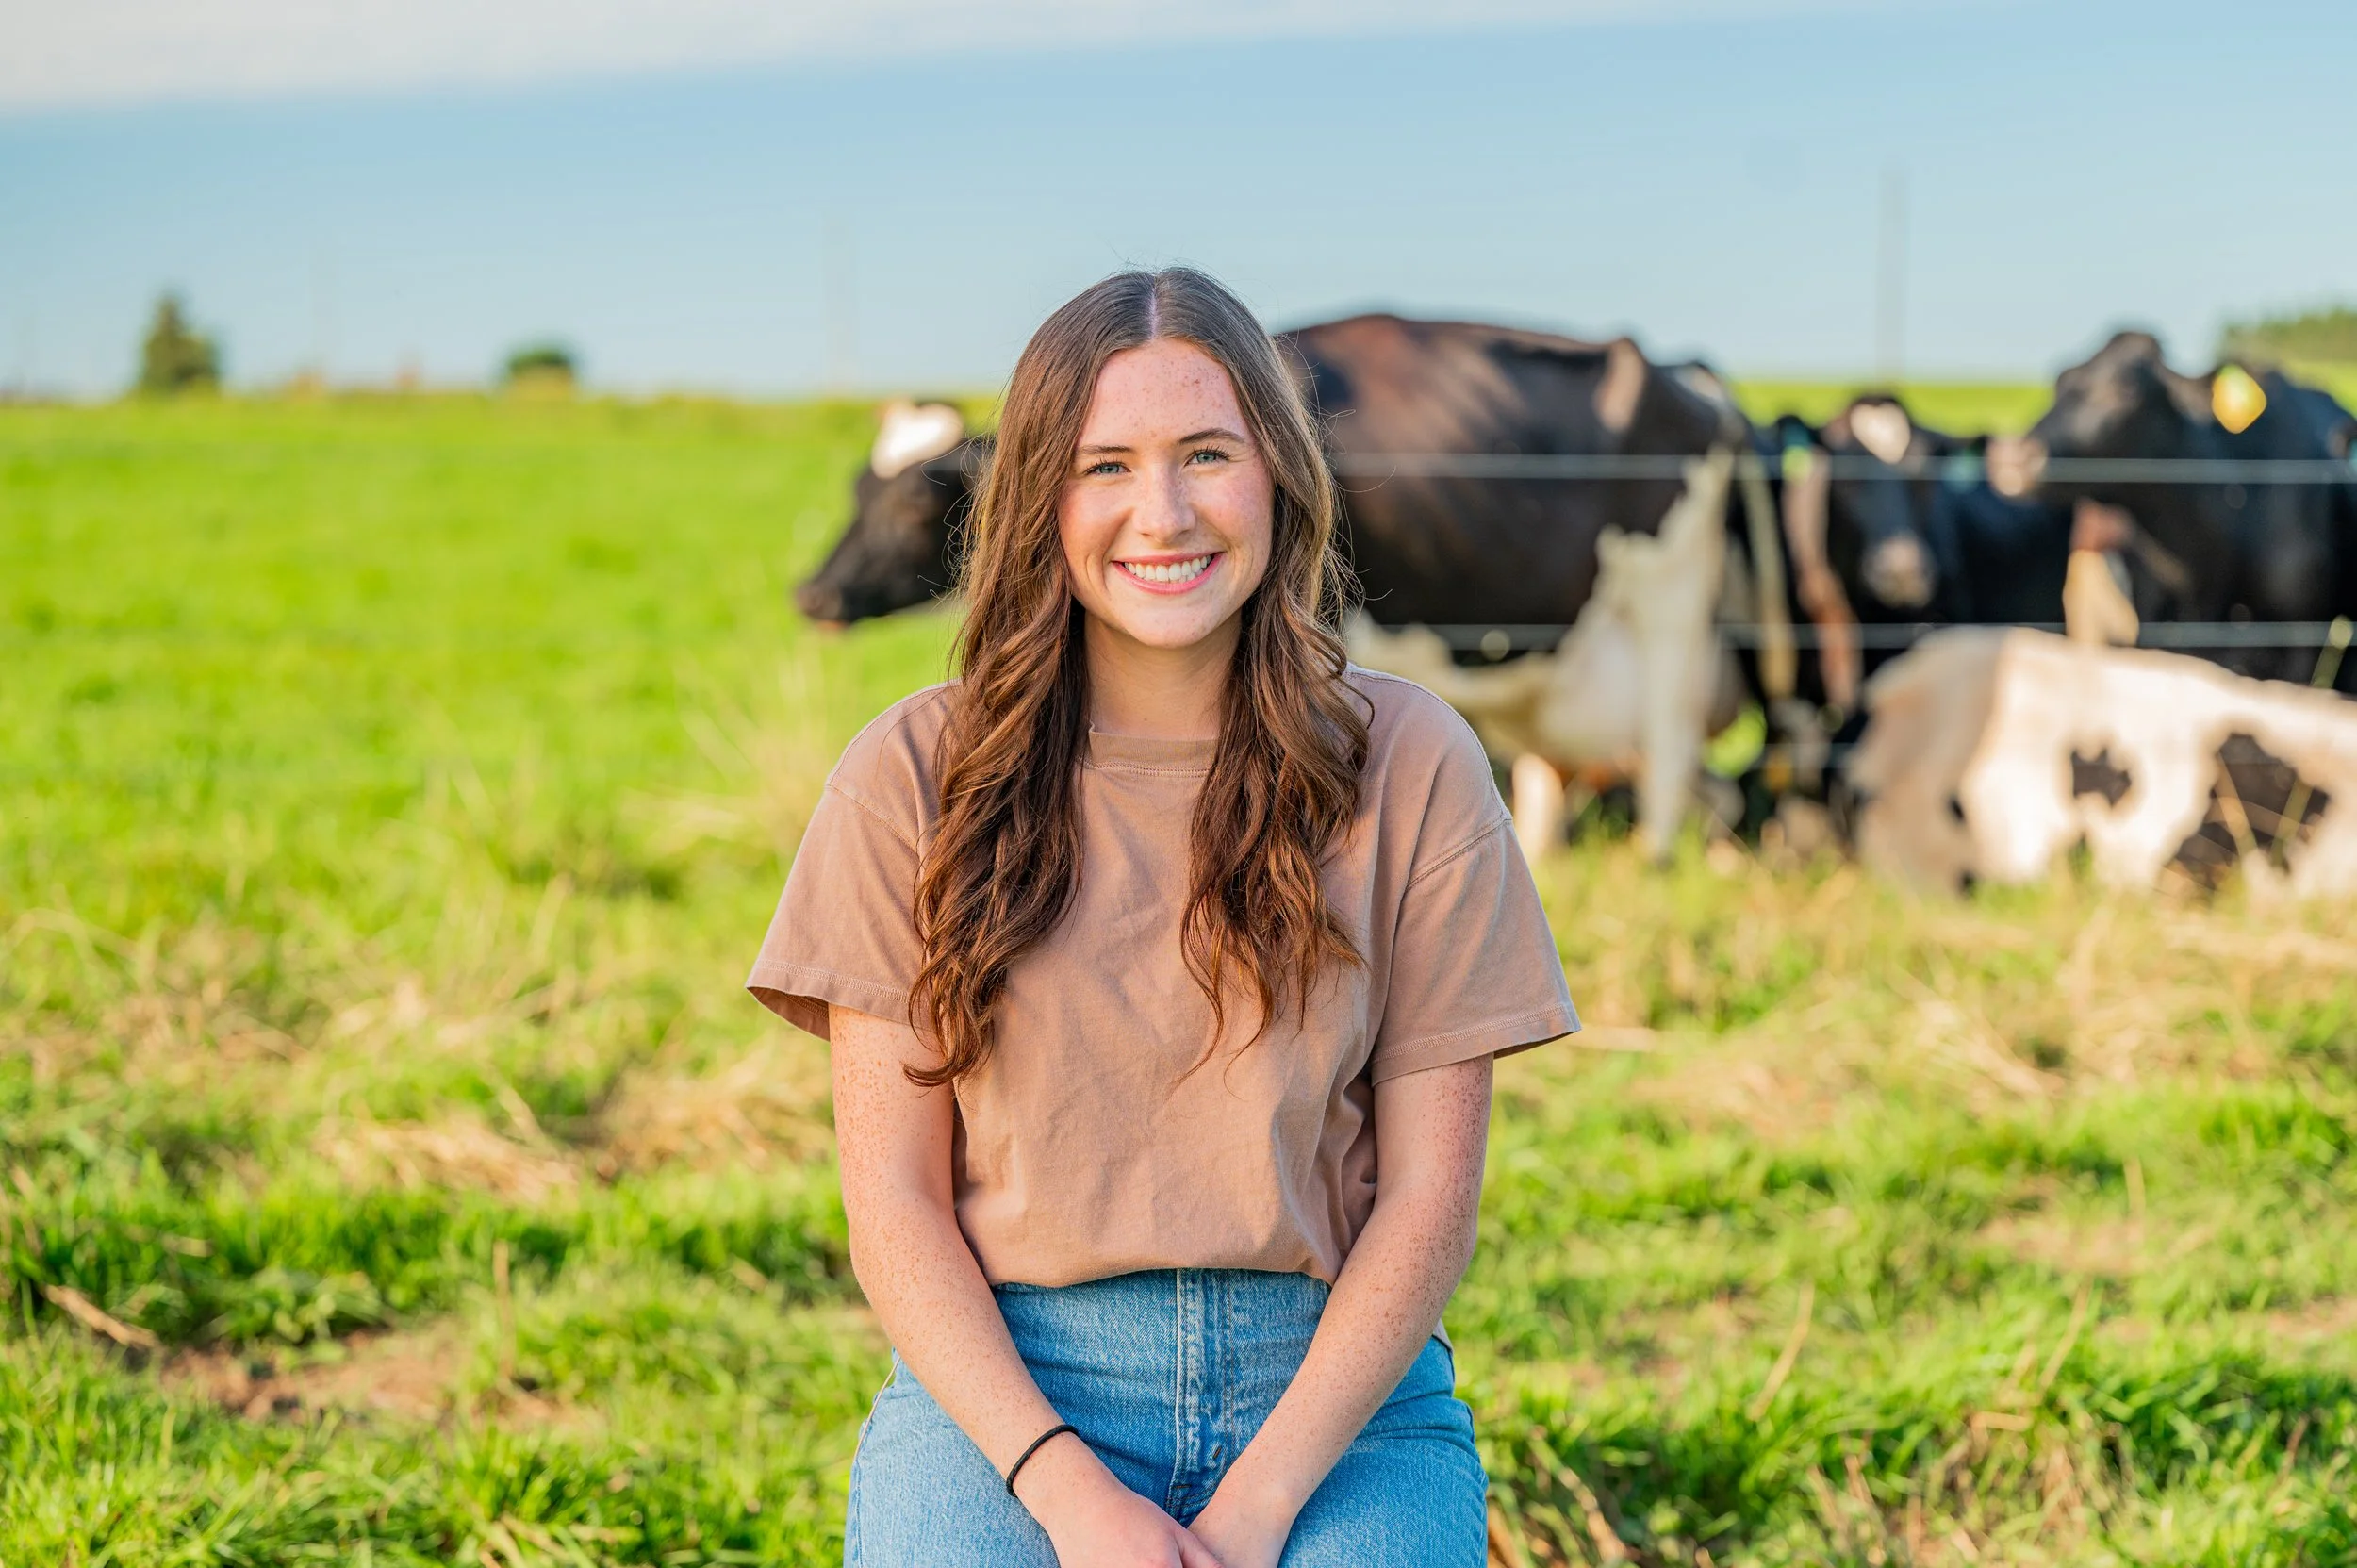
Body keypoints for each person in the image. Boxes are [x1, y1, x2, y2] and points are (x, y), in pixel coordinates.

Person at [748, 267, 1578, 1568]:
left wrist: (1255, 1508)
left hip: (1339, 1399)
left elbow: (1428, 1200)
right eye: (1106, 466)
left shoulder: (1412, 760)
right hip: (1010, 1392)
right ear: (1035, 495)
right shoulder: (911, 778)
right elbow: (893, 1205)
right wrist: (1069, 1495)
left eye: (1208, 454)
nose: (1166, 512)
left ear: (1280, 477)